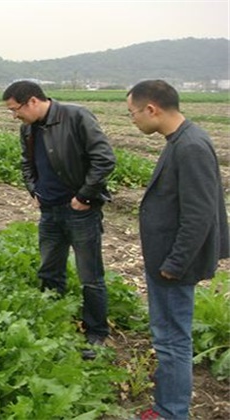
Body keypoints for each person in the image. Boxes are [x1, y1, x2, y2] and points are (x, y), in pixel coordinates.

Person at [126, 80, 229, 420]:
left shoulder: (191, 146)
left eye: (133, 113)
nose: (133, 121)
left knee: (172, 340)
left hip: (172, 263)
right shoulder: (181, 140)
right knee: (168, 335)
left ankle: (171, 411)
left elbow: (200, 214)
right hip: (166, 258)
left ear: (152, 109)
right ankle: (169, 402)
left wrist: (175, 263)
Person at [2, 80, 116, 360]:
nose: (14, 115)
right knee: (49, 270)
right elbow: (26, 164)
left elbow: (104, 159)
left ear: (32, 101)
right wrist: (34, 191)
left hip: (80, 211)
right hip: (49, 211)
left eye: (15, 109)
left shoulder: (76, 116)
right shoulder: (27, 128)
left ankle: (96, 332)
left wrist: (85, 196)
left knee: (90, 276)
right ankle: (55, 320)